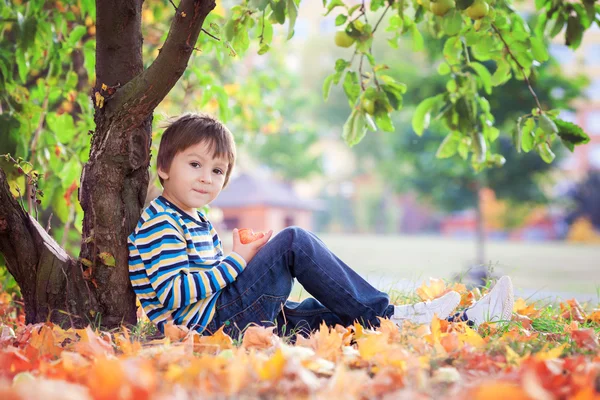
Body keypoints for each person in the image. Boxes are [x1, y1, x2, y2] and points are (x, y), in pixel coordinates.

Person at [128, 113, 514, 338]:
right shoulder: (161, 222)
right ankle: (391, 314)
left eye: (217, 170)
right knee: (294, 240)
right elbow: (176, 292)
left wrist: (247, 261)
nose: (206, 178)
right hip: (212, 329)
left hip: (225, 318)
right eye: (194, 164)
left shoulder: (193, 219)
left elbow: (206, 282)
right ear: (163, 167)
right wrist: (239, 260)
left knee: (339, 320)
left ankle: (455, 321)